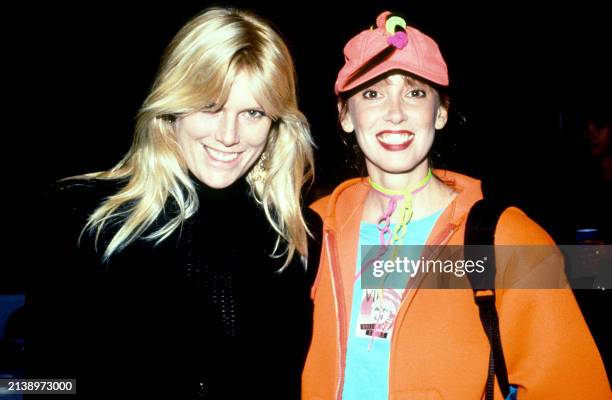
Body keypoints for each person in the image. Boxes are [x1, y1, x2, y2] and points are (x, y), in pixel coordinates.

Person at [302, 11, 610, 399]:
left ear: (441, 112)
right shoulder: (313, 232)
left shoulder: (505, 240)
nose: (395, 112)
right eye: (372, 93)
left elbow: (575, 388)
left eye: (415, 92)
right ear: (345, 116)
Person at [27, 7, 321, 399]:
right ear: (173, 106)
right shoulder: (82, 215)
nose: (228, 135)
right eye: (210, 107)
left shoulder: (297, 237)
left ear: (276, 124)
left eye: (252, 112)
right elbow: (39, 382)